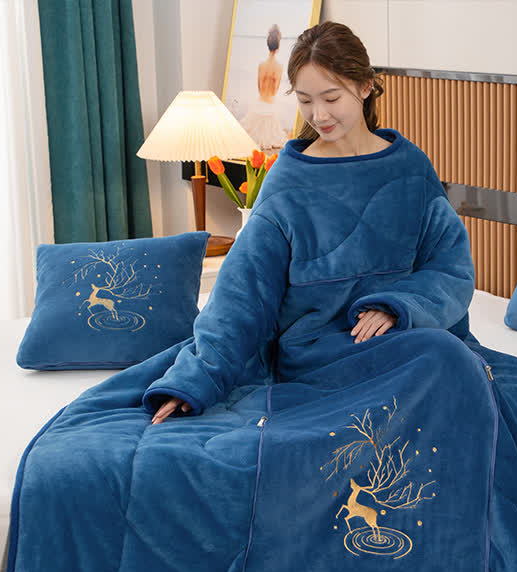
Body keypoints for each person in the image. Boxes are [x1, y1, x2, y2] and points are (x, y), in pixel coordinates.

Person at [148, 20, 475, 424]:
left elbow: (451, 268)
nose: (318, 115)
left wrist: (399, 307)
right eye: (304, 100)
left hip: (406, 335)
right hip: (321, 354)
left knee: (469, 367)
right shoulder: (288, 179)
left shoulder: (410, 166)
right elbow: (242, 292)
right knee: (442, 360)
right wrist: (197, 378)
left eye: (331, 98)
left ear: (366, 86)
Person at [238, 24, 288, 150]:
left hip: (259, 102)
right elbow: (275, 89)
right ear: (278, 46)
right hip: (270, 103)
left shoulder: (262, 65)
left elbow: (259, 87)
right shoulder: (279, 67)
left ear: (268, 44)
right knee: (274, 136)